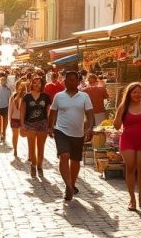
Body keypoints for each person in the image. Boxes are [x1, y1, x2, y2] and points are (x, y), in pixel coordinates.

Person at [47, 70, 94, 201]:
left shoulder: (84, 97)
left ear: (78, 82)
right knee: (64, 156)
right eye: (68, 80)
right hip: (61, 130)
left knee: (75, 160)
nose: (71, 82)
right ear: (64, 81)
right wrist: (50, 127)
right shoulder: (58, 96)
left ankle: (72, 184)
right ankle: (68, 185)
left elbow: (90, 114)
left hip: (78, 133)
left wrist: (89, 128)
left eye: (74, 80)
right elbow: (53, 112)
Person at [113, 82, 141, 211]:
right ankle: (132, 198)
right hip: (128, 140)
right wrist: (118, 114)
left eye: (139, 92)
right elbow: (116, 125)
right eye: (134, 92)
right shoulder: (124, 106)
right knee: (131, 167)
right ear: (129, 93)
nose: (137, 94)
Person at [21, 75, 52, 178]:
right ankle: (33, 164)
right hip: (30, 124)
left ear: (42, 84)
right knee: (31, 146)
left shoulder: (46, 96)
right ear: (31, 84)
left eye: (39, 82)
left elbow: (49, 111)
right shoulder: (27, 96)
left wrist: (50, 125)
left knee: (41, 146)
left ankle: (39, 165)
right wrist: (22, 124)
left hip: (42, 123)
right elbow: (22, 110)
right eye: (34, 82)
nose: (36, 84)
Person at [8, 82, 27, 160]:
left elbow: (10, 109)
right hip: (23, 119)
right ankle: (30, 153)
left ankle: (15, 149)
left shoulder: (14, 96)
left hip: (14, 118)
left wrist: (10, 119)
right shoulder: (27, 96)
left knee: (15, 135)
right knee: (27, 136)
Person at [0, 75, 13, 146]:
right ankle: (0, 134)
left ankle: (3, 133)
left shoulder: (9, 89)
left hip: (6, 107)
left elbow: (10, 99)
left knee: (5, 122)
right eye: (2, 80)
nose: (3, 81)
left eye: (5, 80)